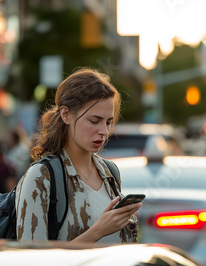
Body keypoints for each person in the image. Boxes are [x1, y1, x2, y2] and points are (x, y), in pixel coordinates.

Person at [15, 68, 141, 243]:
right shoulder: (42, 176)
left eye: (109, 122)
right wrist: (98, 231)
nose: (104, 131)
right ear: (66, 114)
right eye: (94, 121)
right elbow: (32, 260)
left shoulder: (110, 172)